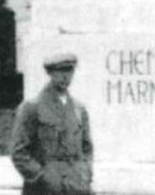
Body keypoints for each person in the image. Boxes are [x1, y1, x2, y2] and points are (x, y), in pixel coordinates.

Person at [10, 52, 93, 194]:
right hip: (45, 189)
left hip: (76, 187)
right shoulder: (32, 107)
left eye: (69, 70)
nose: (65, 76)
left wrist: (85, 173)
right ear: (50, 73)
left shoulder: (79, 109)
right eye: (60, 71)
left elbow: (86, 147)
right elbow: (18, 153)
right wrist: (42, 176)